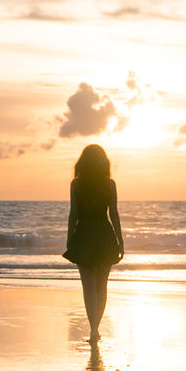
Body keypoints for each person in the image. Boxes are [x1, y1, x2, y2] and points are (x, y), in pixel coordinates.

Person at [62, 144, 123, 343]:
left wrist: (70, 238)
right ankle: (95, 328)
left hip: (84, 234)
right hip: (105, 235)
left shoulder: (76, 185)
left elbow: (73, 215)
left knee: (88, 286)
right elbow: (113, 214)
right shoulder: (110, 184)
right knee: (101, 286)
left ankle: (93, 329)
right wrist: (120, 241)